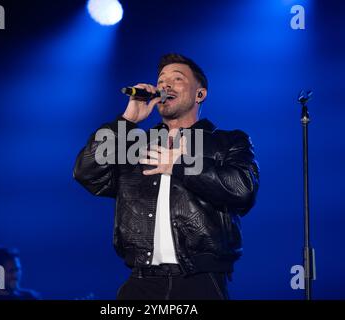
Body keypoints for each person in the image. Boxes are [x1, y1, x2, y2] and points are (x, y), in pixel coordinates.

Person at [74, 53, 259, 300]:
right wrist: (127, 121)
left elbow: (242, 190)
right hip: (141, 281)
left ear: (199, 94)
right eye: (161, 80)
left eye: (177, 79)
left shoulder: (227, 141)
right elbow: (87, 173)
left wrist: (180, 165)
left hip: (200, 280)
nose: (165, 85)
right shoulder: (135, 144)